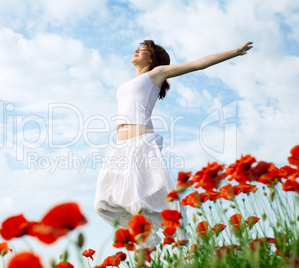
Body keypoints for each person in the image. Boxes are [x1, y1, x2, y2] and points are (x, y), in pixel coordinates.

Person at [94, 40, 253, 246]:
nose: (135, 51)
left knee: (142, 199)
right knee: (103, 203)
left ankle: (178, 239)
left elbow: (199, 63)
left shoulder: (156, 74)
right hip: (121, 148)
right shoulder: (127, 84)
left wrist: (235, 51)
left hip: (141, 143)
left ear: (152, 59)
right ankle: (149, 237)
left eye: (141, 50)